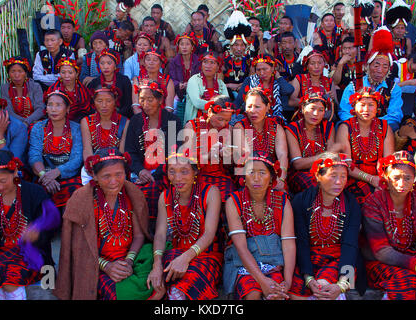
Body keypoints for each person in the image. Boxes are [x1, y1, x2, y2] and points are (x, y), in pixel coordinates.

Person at [54, 148, 153, 300]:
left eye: (119, 175)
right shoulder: (82, 201)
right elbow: (80, 248)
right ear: (94, 176)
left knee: (157, 275)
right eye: (106, 176)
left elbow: (139, 235)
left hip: (129, 260)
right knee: (123, 294)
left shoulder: (132, 194)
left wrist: (128, 261)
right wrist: (107, 266)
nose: (114, 181)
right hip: (95, 264)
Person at [0, 150, 60, 300]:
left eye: (3, 180)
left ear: (15, 172)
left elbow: (52, 227)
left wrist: (37, 233)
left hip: (32, 255)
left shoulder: (35, 192)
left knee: (9, 278)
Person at [146, 150, 223, 300]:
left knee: (190, 283)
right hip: (175, 255)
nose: (178, 178)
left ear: (195, 172)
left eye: (184, 171)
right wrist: (157, 264)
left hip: (206, 255)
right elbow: (160, 234)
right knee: (155, 282)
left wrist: (185, 258)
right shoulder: (166, 196)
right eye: (172, 171)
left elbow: (209, 234)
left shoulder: (210, 192)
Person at [289, 152, 362, 300]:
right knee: (290, 292)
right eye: (333, 175)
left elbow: (351, 245)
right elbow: (301, 242)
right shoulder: (301, 201)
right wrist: (308, 277)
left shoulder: (351, 203)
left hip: (339, 260)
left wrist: (342, 283)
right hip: (307, 259)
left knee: (325, 290)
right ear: (318, 176)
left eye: (343, 176)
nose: (339, 182)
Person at [224, 152, 295, 300]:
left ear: (271, 178)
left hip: (273, 262)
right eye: (251, 173)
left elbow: (288, 244)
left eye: (262, 173)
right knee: (252, 294)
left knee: (278, 294)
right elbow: (241, 247)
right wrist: (262, 281)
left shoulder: (282, 201)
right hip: (243, 264)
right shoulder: (234, 201)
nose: (256, 178)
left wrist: (287, 282)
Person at [361, 151, 416, 300]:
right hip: (381, 263)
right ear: (386, 179)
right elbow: (381, 251)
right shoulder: (374, 202)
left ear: (415, 178)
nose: (402, 184)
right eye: (396, 178)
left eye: (407, 178)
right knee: (410, 282)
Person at [125, 80, 182, 235]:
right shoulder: (136, 121)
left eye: (150, 99)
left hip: (164, 172)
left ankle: (156, 232)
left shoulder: (172, 121)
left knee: (153, 189)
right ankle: (139, 232)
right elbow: (130, 151)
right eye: (142, 99)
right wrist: (141, 171)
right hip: (140, 172)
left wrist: (154, 174)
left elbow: (174, 153)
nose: (145, 103)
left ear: (160, 100)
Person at [336, 87, 395, 204]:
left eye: (371, 105)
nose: (366, 109)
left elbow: (389, 163)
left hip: (380, 177)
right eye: (362, 105)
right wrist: (370, 179)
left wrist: (381, 181)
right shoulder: (345, 127)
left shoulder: (385, 127)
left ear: (377, 107)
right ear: (354, 106)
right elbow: (346, 165)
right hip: (354, 177)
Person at [28, 90, 83, 213]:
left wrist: (57, 172)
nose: (53, 109)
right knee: (37, 192)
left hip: (68, 174)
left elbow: (77, 158)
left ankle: (67, 228)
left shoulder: (76, 129)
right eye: (50, 105)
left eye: (58, 105)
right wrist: (44, 176)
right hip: (43, 174)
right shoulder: (38, 128)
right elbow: (34, 155)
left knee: (75, 191)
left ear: (67, 109)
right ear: (46, 108)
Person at [339, 27, 403, 131]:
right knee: (342, 127)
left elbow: (395, 115)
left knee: (394, 127)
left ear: (388, 70)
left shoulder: (394, 89)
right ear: (368, 66)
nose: (380, 70)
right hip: (357, 129)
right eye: (376, 65)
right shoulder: (354, 86)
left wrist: (373, 125)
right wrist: (361, 125)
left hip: (381, 129)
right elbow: (344, 112)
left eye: (385, 67)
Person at [233, 87, 288, 192]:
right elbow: (243, 157)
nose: (252, 111)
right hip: (247, 174)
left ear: (267, 107)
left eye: (257, 107)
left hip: (272, 173)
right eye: (249, 107)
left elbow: (282, 155)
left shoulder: (276, 127)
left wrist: (281, 178)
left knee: (281, 192)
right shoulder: (240, 127)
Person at [183, 95, 236, 203]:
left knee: (228, 200)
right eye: (220, 119)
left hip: (221, 176)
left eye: (227, 120)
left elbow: (229, 166)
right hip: (197, 176)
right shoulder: (192, 126)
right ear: (209, 112)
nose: (223, 124)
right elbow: (186, 161)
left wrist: (227, 157)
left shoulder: (228, 128)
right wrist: (208, 156)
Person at [285, 92, 336, 195]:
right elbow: (298, 164)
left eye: (321, 110)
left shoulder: (328, 127)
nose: (316, 114)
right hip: (300, 174)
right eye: (312, 108)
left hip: (324, 170)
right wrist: (324, 156)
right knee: (315, 185)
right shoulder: (292, 129)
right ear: (303, 109)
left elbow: (331, 159)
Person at [235, 54, 293, 122]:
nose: (262, 73)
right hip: (253, 118)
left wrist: (279, 77)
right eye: (258, 70)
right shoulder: (250, 81)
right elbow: (238, 102)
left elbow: (289, 90)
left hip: (274, 119)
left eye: (265, 69)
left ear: (273, 68)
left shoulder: (278, 82)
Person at [81, 85, 129, 164]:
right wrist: (91, 167)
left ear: (115, 101)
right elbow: (87, 150)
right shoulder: (86, 121)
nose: (104, 105)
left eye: (108, 101)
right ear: (94, 101)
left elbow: (122, 152)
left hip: (116, 165)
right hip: (94, 165)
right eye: (99, 101)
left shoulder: (124, 122)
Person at [183, 52, 228, 125]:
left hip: (216, 124)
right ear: (201, 65)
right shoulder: (194, 80)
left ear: (218, 67)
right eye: (205, 62)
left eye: (212, 63)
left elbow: (226, 104)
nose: (208, 66)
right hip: (195, 123)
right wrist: (216, 107)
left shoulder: (221, 84)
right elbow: (197, 102)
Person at [289, 49, 336, 119]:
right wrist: (311, 101)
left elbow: (336, 105)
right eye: (312, 63)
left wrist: (332, 99)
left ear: (324, 64)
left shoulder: (329, 81)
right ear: (307, 65)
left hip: (324, 119)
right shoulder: (299, 79)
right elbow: (291, 101)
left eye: (320, 63)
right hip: (303, 119)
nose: (316, 66)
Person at [87, 48, 133, 119]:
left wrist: (115, 116)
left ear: (115, 65)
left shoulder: (124, 81)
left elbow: (128, 104)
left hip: (121, 117)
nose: (105, 67)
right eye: (102, 63)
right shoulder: (94, 83)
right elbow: (90, 105)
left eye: (109, 63)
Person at [0, 56, 45, 127]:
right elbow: (8, 110)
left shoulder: (35, 86)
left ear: (26, 73)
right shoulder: (5, 88)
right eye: (13, 71)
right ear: (8, 73)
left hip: (35, 122)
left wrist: (27, 122)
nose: (16, 75)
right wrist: (22, 123)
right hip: (14, 123)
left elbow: (40, 109)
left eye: (20, 71)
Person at [47, 58, 93, 123]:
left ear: (77, 74)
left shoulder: (83, 90)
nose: (66, 76)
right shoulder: (53, 89)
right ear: (59, 73)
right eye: (63, 72)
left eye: (70, 73)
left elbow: (86, 110)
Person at [168, 32, 201, 121]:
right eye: (181, 44)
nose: (184, 47)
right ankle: (173, 129)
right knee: (174, 106)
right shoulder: (174, 61)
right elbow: (171, 78)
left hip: (194, 91)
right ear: (178, 47)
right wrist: (179, 84)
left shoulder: (198, 61)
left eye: (187, 44)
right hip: (178, 91)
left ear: (192, 47)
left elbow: (200, 76)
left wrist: (191, 84)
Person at [222, 10, 253, 100]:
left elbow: (252, 80)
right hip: (226, 95)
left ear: (245, 47)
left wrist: (241, 85)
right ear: (231, 46)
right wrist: (229, 85)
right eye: (236, 45)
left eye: (242, 45)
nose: (239, 48)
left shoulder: (249, 61)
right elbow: (218, 83)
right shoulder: (223, 61)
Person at [332, 36, 357, 102]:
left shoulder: (362, 61)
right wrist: (340, 64)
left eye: (350, 48)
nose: (347, 51)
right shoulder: (338, 62)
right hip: (343, 95)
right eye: (344, 48)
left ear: (357, 48)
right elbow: (335, 82)